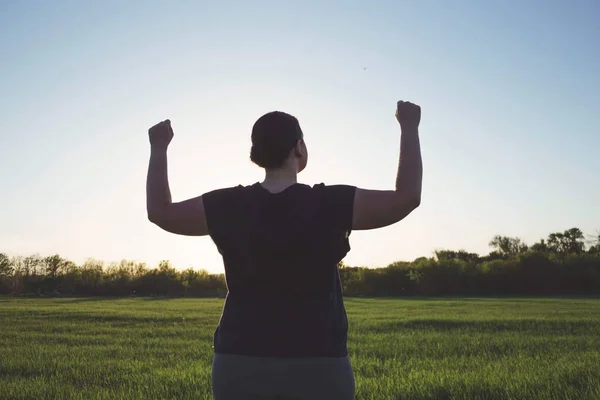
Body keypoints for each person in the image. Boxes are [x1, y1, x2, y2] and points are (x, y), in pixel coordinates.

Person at [146, 100, 423, 399]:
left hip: (239, 362)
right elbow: (406, 198)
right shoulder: (331, 203)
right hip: (320, 362)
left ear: (256, 154)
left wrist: (159, 148)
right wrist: (409, 127)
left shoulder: (226, 205)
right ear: (299, 148)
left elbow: (160, 212)